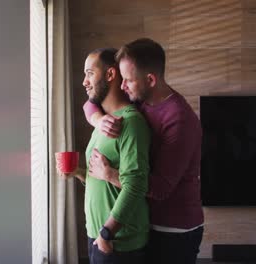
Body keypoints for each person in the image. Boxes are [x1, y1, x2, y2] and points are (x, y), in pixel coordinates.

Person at [84, 38, 204, 264]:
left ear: (150, 79)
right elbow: (90, 103)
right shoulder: (140, 98)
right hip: (147, 221)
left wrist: (109, 174)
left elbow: (159, 189)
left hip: (175, 229)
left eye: (127, 80)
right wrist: (99, 120)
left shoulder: (180, 120)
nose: (122, 86)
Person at [57, 47, 151, 264]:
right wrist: (79, 173)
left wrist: (106, 235)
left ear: (110, 75)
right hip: (98, 237)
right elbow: (101, 178)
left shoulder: (131, 123)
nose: (84, 82)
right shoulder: (104, 122)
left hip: (118, 243)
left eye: (90, 73)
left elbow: (136, 186)